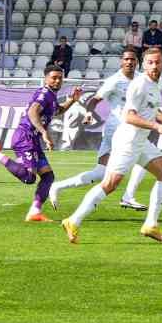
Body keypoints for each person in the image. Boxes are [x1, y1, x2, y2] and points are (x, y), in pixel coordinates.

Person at [61, 46, 162, 245]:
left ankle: (151, 225)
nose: (154, 66)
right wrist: (157, 126)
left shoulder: (157, 83)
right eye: (150, 62)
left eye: (157, 62)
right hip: (128, 140)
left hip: (140, 141)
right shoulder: (139, 85)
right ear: (144, 65)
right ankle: (73, 220)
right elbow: (129, 116)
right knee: (110, 184)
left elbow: (153, 109)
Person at [0, 64, 83, 223]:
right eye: (54, 78)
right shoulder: (44, 93)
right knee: (29, 177)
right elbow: (32, 112)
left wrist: (72, 100)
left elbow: (57, 111)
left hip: (33, 140)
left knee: (48, 176)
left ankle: (34, 212)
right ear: (46, 78)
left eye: (60, 78)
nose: (58, 81)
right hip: (25, 137)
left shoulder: (51, 96)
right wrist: (44, 132)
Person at [48, 48, 149, 213]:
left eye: (132, 59)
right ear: (121, 61)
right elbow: (95, 100)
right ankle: (128, 196)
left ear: (137, 62)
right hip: (117, 129)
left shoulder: (141, 79)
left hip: (129, 128)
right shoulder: (114, 81)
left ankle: (57, 186)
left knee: (100, 172)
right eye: (126, 59)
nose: (129, 62)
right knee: (146, 156)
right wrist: (88, 113)